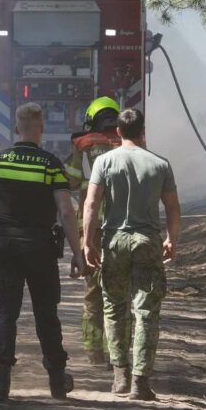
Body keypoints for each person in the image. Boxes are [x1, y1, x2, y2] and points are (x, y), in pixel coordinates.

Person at [0, 102, 88, 403]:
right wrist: (77, 252)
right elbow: (66, 211)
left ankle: (1, 385)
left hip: (3, 247)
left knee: (6, 311)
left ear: (16, 128)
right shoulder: (50, 164)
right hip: (40, 249)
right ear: (41, 129)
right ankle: (57, 383)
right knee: (46, 313)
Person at [82, 108, 180, 401]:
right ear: (143, 131)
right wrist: (171, 239)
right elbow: (172, 207)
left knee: (114, 307)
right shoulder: (160, 164)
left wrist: (88, 243)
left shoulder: (104, 161)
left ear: (118, 132)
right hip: (147, 241)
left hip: (114, 242)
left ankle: (120, 377)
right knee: (146, 311)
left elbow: (91, 204)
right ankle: (140, 382)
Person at [64, 97, 122, 366]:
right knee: (119, 293)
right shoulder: (131, 144)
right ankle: (116, 351)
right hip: (123, 226)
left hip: (92, 228)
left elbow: (70, 180)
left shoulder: (83, 145)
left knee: (93, 292)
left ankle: (94, 352)